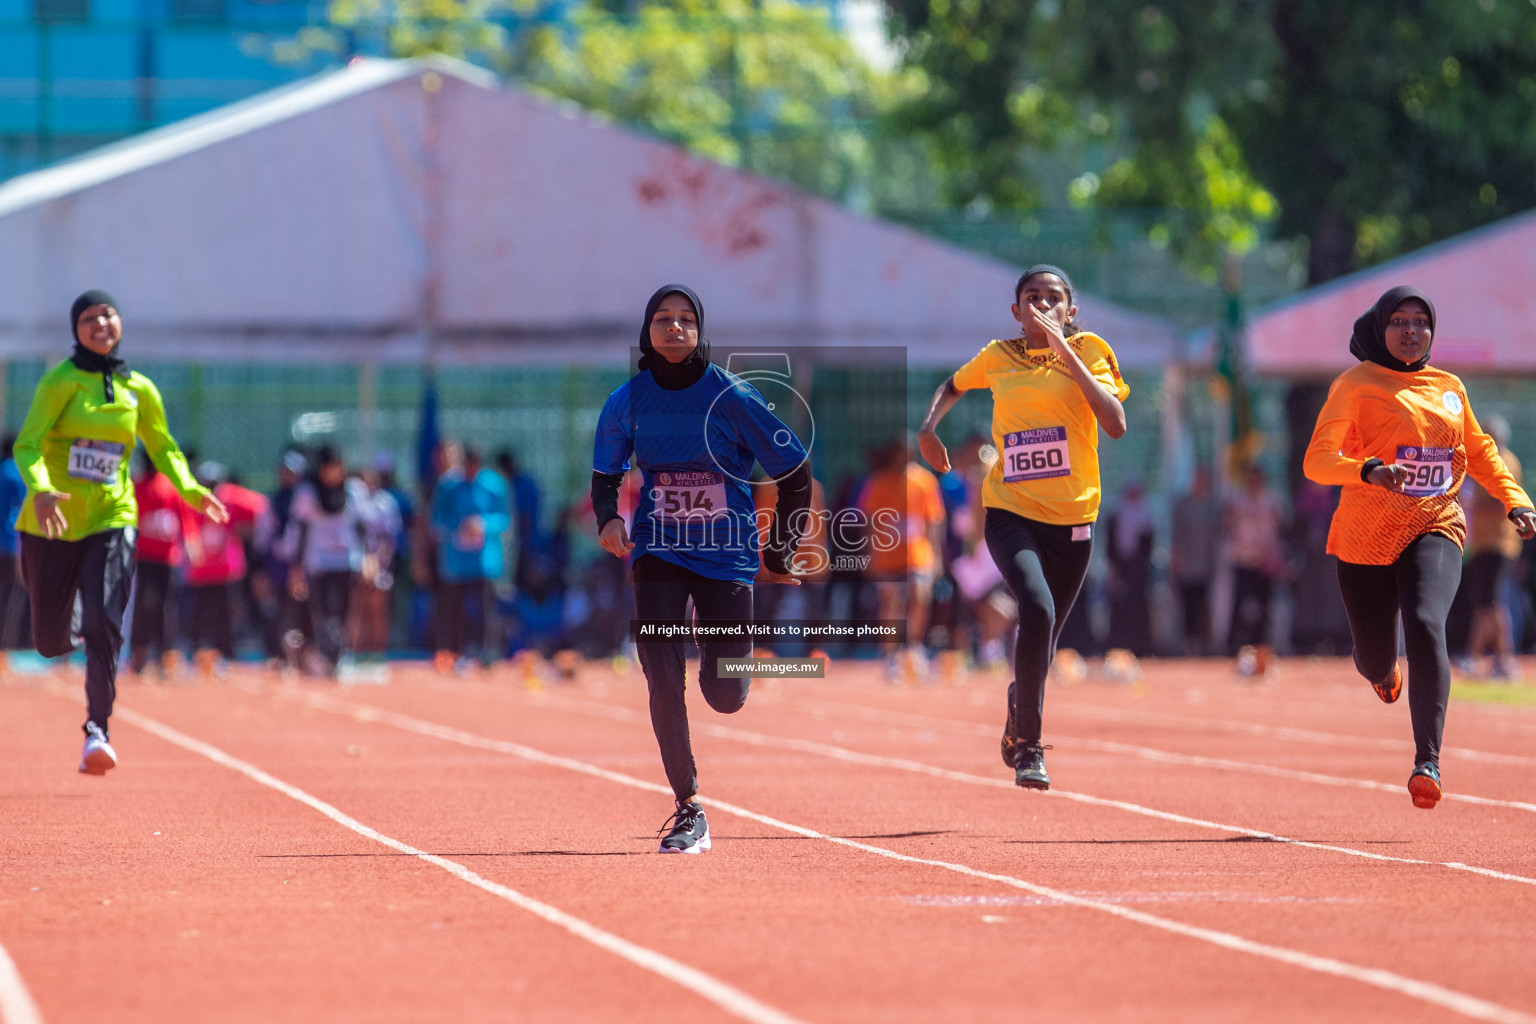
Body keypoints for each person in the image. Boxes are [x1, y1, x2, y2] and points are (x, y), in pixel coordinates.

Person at [592, 284, 811, 853]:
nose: (674, 327)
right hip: (658, 551)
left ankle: (719, 656)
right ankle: (689, 806)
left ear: (699, 330)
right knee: (663, 675)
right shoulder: (628, 400)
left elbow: (795, 471)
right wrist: (608, 519)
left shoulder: (732, 396)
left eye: (686, 319)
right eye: (663, 319)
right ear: (648, 332)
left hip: (727, 557)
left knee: (724, 693)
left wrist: (781, 551)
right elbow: (605, 475)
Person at [1304, 286, 1535, 809]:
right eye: (1400, 321)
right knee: (1373, 658)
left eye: (1421, 322)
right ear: (1380, 328)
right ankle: (1383, 673)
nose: (1411, 331)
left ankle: (1426, 760)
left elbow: (1479, 452)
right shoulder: (1355, 384)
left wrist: (1516, 500)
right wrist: (1369, 470)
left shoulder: (1450, 388)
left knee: (1427, 622)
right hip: (1364, 539)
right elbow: (1316, 461)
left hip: (1435, 524)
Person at [918, 264, 1129, 790]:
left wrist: (1067, 352)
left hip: (1074, 519)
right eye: (1031, 297)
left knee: (1044, 637)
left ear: (1070, 310)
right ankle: (1030, 747)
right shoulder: (998, 356)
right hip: (1010, 512)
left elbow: (1116, 423)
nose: (1042, 304)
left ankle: (1019, 709)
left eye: (1053, 298)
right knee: (1035, 608)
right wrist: (928, 429)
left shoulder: (1092, 350)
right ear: (1016, 312)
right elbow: (951, 384)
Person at [14, 290, 226, 773]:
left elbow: (164, 447)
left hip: (114, 515)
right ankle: (74, 625)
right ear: (76, 329)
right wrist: (42, 489)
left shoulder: (140, 389)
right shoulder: (60, 382)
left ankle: (97, 730)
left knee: (105, 621)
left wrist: (191, 490)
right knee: (49, 642)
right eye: (89, 318)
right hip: (54, 521)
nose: (101, 324)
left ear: (120, 323)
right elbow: (27, 445)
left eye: (108, 315)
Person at [857, 435, 946, 681]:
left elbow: (933, 520)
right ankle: (891, 656)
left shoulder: (924, 481)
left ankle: (914, 650)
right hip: (887, 557)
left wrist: (936, 554)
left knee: (920, 596)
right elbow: (870, 522)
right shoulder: (879, 482)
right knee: (891, 602)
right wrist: (869, 553)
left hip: (918, 554)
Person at [287, 445, 369, 677]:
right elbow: (300, 530)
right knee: (323, 613)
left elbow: (361, 526)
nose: (335, 472)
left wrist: (366, 557)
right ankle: (326, 655)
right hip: (319, 563)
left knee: (343, 611)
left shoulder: (354, 490)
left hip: (346, 561)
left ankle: (340, 656)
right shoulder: (307, 492)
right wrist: (296, 567)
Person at [183, 462, 268, 676]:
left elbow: (262, 507)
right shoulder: (193, 500)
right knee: (199, 615)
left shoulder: (230, 497)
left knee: (225, 615)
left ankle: (224, 655)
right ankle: (200, 656)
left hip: (225, 570)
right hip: (201, 570)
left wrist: (246, 532)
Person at [431, 444, 509, 671]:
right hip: (456, 562)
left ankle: (487, 653)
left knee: (486, 610)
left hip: (485, 561)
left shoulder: (494, 485)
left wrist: (483, 524)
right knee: (455, 611)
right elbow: (436, 520)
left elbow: (504, 519)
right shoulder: (448, 486)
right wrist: (460, 526)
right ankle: (457, 651)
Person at [1463, 414, 1524, 678]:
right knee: (1490, 601)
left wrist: (1471, 503)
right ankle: (1502, 661)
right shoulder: (1490, 462)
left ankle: (1477, 657)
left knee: (1489, 602)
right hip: (1486, 543)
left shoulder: (1504, 462)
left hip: (1500, 542)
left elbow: (1503, 503)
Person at [129, 458, 196, 676]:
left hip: (168, 558)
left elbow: (185, 519)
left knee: (167, 608)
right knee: (145, 604)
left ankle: (165, 656)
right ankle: (140, 653)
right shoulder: (137, 486)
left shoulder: (170, 487)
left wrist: (192, 545)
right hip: (144, 556)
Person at [1225, 463, 1285, 676]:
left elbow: (1277, 529)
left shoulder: (1271, 501)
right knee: (1240, 606)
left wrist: (1273, 556)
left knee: (1264, 607)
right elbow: (1230, 526)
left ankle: (1262, 651)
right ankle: (1234, 649)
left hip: (1264, 563)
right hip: (1242, 559)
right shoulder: (1238, 501)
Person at [1169, 465, 1220, 655]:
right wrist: (1176, 557)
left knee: (1203, 604)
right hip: (1186, 564)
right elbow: (1177, 535)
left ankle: (1203, 642)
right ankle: (1188, 642)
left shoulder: (1212, 507)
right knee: (1187, 604)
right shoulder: (1183, 505)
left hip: (1206, 564)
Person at [1104, 479, 1155, 658]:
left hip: (1139, 573)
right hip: (1121, 570)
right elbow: (1111, 546)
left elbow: (1148, 548)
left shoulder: (1145, 516)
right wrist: (1114, 570)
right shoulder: (1116, 515)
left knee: (1139, 608)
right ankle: (1118, 646)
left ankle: (1141, 648)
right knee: (1119, 608)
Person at [0, 434, 32, 664]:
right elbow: (23, 509)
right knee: (9, 598)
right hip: (9, 545)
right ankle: (3, 651)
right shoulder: (16, 473)